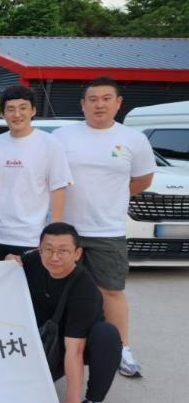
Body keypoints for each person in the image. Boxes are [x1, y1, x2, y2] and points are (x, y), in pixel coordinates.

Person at [54, 76, 156, 378]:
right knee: (61, 291)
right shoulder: (62, 136)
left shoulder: (134, 139)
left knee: (111, 292)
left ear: (118, 102)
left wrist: (112, 196)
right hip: (65, 230)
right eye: (93, 99)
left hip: (108, 230)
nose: (100, 104)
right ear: (83, 104)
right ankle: (58, 345)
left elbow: (142, 180)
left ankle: (121, 349)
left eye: (106, 98)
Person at [7, 222, 122, 403]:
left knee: (107, 335)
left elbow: (74, 350)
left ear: (77, 253)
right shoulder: (33, 261)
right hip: (40, 340)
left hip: (72, 345)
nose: (54, 257)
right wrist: (9, 261)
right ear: (39, 249)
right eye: (48, 249)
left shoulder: (84, 289)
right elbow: (12, 262)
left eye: (63, 251)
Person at [0, 85, 73, 262]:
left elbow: (58, 189)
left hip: (29, 237)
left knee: (29, 281)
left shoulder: (50, 143)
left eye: (23, 108)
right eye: (10, 109)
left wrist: (52, 234)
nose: (17, 114)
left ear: (33, 110)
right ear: (3, 114)